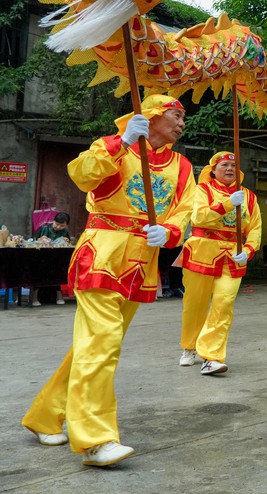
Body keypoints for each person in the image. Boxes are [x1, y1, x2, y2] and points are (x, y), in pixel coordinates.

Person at [23, 95, 195, 467]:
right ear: (150, 117)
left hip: (141, 261)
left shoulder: (182, 165)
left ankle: (44, 415)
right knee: (102, 345)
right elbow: (81, 173)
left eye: (183, 118)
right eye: (175, 116)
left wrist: (168, 231)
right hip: (103, 253)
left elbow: (186, 209)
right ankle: (95, 439)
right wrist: (123, 143)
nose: (182, 124)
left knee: (93, 346)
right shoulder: (114, 146)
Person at [177, 151, 261, 376]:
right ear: (213, 169)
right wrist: (225, 205)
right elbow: (198, 218)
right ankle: (189, 346)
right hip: (202, 251)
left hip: (233, 256)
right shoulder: (202, 190)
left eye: (234, 165)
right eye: (224, 165)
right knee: (194, 304)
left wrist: (249, 249)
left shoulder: (248, 196)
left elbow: (254, 228)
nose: (230, 169)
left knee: (224, 303)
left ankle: (211, 356)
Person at [30, 212, 73, 306]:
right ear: (53, 221)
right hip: (41, 259)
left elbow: (68, 245)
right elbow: (31, 241)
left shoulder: (65, 233)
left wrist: (66, 241)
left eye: (62, 226)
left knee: (56, 270)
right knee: (39, 271)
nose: (58, 227)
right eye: (57, 224)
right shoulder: (43, 229)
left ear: (66, 225)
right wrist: (39, 240)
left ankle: (59, 295)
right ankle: (34, 297)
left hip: (56, 259)